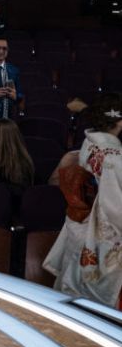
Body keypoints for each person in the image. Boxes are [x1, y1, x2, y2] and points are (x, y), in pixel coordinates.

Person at [44, 93, 122, 309]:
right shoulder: (114, 156)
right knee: (95, 293)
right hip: (100, 224)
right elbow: (115, 204)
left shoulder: (90, 142)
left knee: (74, 282)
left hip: (79, 220)